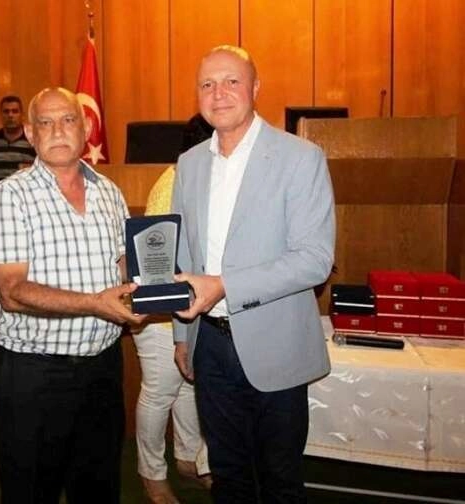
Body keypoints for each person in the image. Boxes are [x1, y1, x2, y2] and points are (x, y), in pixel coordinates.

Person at [171, 45, 335, 503]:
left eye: (232, 81)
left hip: (276, 343)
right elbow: (184, 253)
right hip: (209, 345)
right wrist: (182, 337)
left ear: (256, 88)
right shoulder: (190, 163)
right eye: (207, 84)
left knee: (280, 480)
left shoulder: (300, 157)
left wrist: (226, 287)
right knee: (228, 476)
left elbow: (315, 259)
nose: (218, 93)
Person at [0, 87, 144, 504]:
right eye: (45, 122)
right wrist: (95, 304)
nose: (57, 131)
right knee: (31, 490)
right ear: (30, 133)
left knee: (98, 487)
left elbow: (122, 264)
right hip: (36, 376)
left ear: (86, 127)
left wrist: (145, 290)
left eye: (68, 120)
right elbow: (12, 292)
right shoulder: (9, 195)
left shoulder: (109, 192)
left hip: (103, 371)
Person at [132, 113, 214, 503]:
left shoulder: (195, 178)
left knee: (185, 387)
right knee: (160, 392)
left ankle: (186, 459)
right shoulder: (175, 183)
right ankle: (151, 473)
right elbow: (161, 262)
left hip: (188, 310)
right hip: (163, 315)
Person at [0, 95, 36, 180]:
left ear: (22, 115)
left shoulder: (33, 141)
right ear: (0, 115)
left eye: (15, 111)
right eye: (6, 111)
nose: (10, 115)